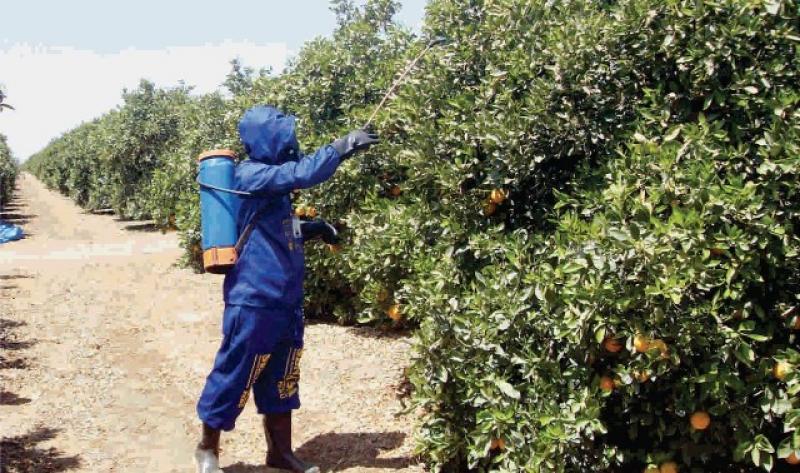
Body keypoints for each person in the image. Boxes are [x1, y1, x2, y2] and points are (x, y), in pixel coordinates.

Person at [195, 105, 379, 473]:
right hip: (253, 298)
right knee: (236, 371)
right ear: (267, 139)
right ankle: (207, 448)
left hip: (286, 300)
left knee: (283, 377)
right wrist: (342, 146)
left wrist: (312, 228)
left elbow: (277, 226)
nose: (291, 140)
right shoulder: (248, 175)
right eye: (285, 134)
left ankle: (280, 453)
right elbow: (302, 173)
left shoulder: (273, 184)